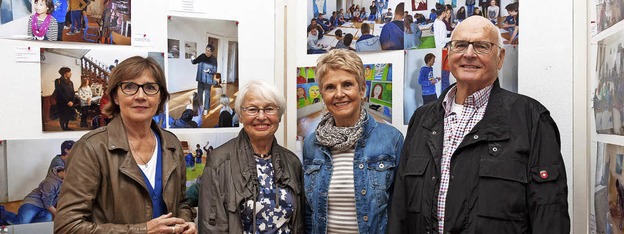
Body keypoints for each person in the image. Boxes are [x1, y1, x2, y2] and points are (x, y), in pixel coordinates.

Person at [388, 16, 570, 233]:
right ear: (449, 55)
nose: (469, 54)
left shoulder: (532, 119)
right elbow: (400, 207)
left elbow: (549, 213)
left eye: (482, 46)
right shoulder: (422, 119)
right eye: (461, 45)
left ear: (500, 58)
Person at [54, 56, 197, 233]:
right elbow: (67, 227)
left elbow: (182, 202)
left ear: (160, 97)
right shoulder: (91, 148)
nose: (140, 96)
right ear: (115, 96)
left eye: (150, 88)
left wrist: (185, 222)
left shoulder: (171, 144)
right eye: (129, 87)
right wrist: (143, 231)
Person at [303, 49, 404, 233]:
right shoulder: (312, 144)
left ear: (362, 89)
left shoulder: (391, 139)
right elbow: (310, 213)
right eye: (330, 87)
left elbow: (400, 211)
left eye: (347, 84)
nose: (339, 94)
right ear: (322, 94)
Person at [198, 80, 304, 233]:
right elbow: (210, 228)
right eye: (252, 109)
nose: (261, 117)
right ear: (240, 116)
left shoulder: (292, 162)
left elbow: (299, 224)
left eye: (269, 109)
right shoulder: (219, 161)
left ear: (279, 116)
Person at [0, 166, 66, 225]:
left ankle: (12, 223)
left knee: (47, 218)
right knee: (22, 222)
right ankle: (1, 211)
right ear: (65, 171)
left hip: (44, 208)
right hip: (33, 203)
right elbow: (48, 203)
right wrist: (58, 215)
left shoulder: (65, 180)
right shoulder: (50, 182)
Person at [192, 44, 218, 115]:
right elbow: (193, 62)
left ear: (211, 52)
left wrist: (209, 71)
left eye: (209, 51)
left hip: (208, 80)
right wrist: (192, 57)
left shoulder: (214, 59)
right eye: (206, 50)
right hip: (200, 78)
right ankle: (200, 107)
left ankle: (206, 108)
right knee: (199, 94)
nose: (207, 52)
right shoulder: (202, 56)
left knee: (207, 94)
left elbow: (215, 70)